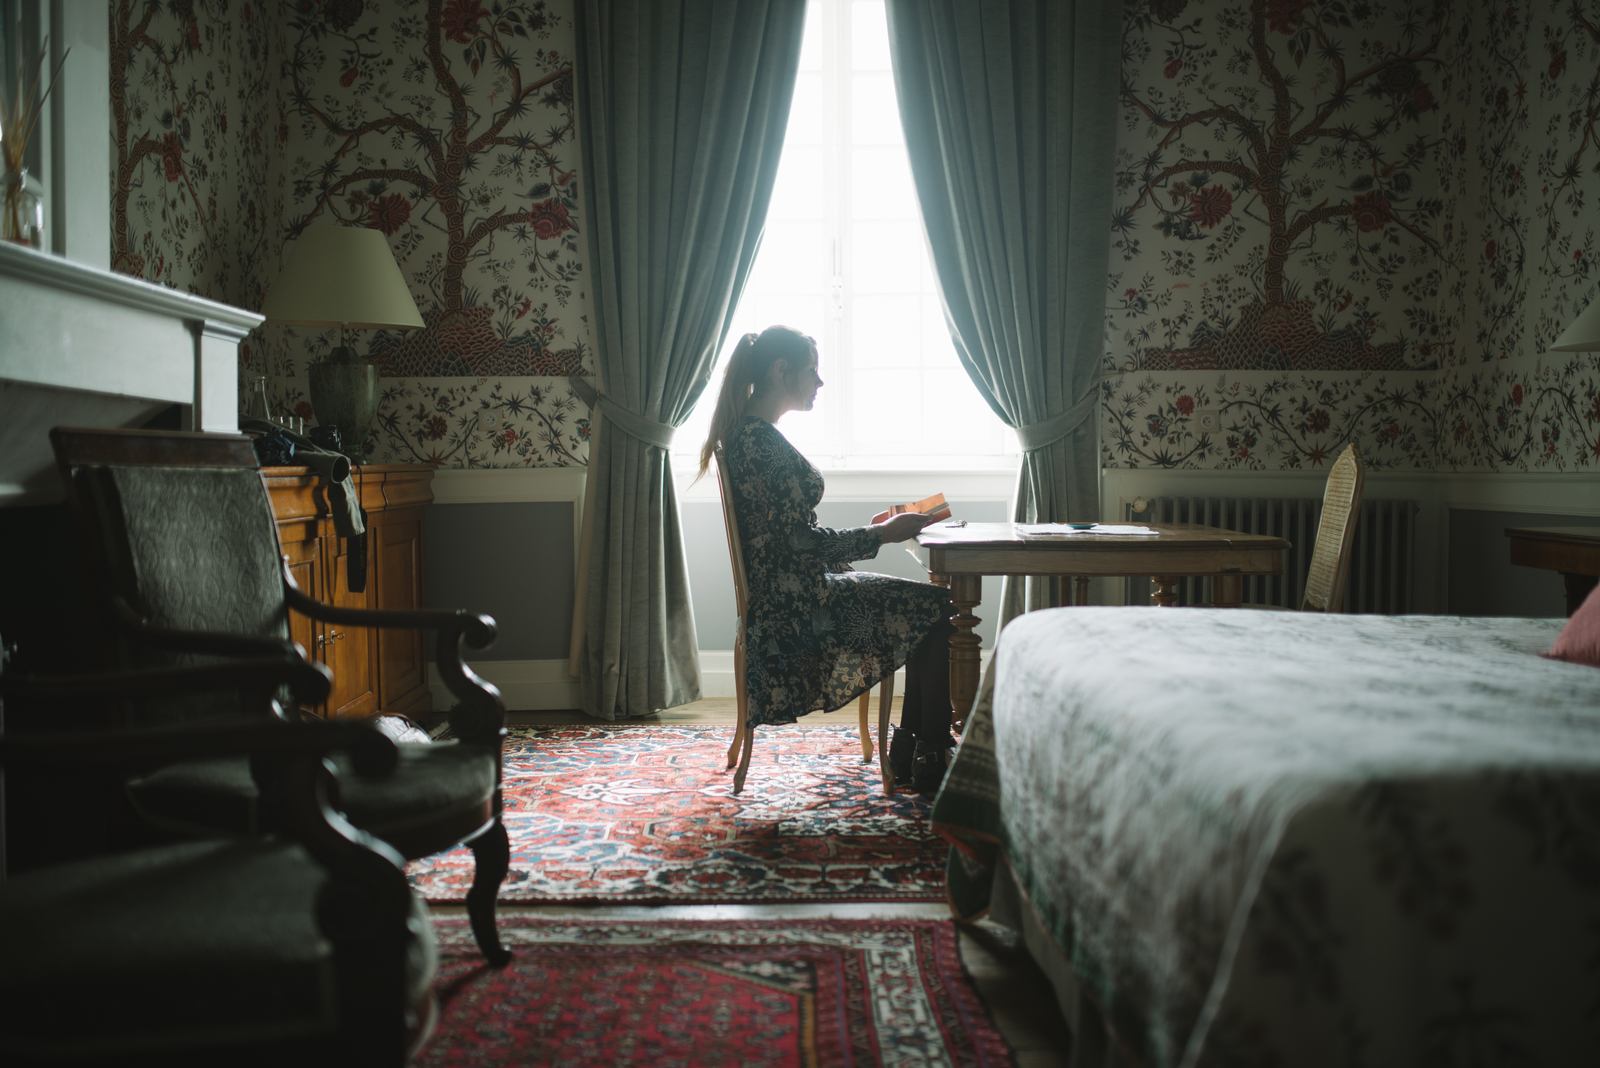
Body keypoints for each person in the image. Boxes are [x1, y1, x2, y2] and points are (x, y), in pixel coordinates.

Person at [697, 325, 956, 792]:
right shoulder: (763, 445)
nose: (820, 383)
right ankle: (928, 751)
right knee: (937, 609)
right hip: (801, 609)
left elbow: (791, 539)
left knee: (926, 608)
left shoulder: (746, 438)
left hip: (788, 596)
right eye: (812, 371)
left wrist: (878, 531)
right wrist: (882, 535)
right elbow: (802, 544)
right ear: (781, 371)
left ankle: (916, 746)